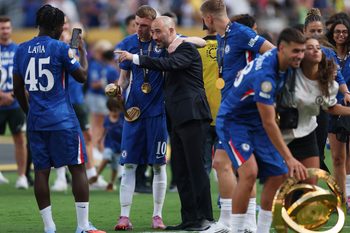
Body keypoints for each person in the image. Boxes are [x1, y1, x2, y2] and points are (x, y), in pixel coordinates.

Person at [12, 5, 105, 233]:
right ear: (55, 27)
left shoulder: (21, 50)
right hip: (63, 120)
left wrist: (29, 112)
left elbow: (17, 89)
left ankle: (49, 227)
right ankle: (82, 226)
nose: (64, 28)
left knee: (42, 172)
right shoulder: (61, 48)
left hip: (36, 121)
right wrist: (81, 52)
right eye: (62, 25)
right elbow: (81, 77)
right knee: (77, 168)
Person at [118, 15, 214, 231]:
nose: (154, 37)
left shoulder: (184, 50)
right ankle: (189, 219)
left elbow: (168, 65)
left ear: (172, 31)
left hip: (193, 116)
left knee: (196, 169)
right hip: (177, 118)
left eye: (158, 32)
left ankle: (206, 218)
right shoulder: (171, 49)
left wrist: (135, 58)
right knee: (180, 170)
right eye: (152, 32)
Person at [215, 27, 308, 233]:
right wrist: (290, 157)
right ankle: (237, 229)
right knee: (249, 173)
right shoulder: (265, 74)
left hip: (255, 121)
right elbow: (269, 121)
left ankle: (262, 230)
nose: (300, 56)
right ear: (281, 48)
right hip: (234, 121)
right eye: (296, 51)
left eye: (302, 51)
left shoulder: (288, 64)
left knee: (279, 175)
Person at [199, 1, 274, 231]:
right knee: (230, 164)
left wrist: (255, 86)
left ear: (209, 18)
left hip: (242, 111)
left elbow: (272, 52)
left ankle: (234, 221)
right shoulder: (223, 38)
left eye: (203, 19)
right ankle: (241, 222)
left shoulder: (241, 33)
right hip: (230, 108)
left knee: (228, 164)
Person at [113, 5, 168, 230]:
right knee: (129, 165)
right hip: (133, 112)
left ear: (154, 24)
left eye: (144, 26)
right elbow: (124, 78)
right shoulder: (128, 43)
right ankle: (124, 216)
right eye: (137, 24)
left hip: (157, 112)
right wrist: (117, 88)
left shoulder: (163, 41)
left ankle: (157, 215)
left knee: (158, 166)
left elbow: (196, 42)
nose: (139, 29)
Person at [282, 37, 350, 185]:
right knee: (287, 185)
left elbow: (330, 107)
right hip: (284, 135)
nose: (315, 50)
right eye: (310, 47)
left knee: (310, 181)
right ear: (301, 53)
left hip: (307, 132)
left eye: (318, 47)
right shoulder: (287, 76)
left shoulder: (328, 84)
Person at [0, 16, 28, 189]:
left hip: (15, 102)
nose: (5, 31)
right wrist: (2, 95)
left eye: (7, 28)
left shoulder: (19, 50)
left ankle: (22, 176)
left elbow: (25, 75)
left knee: (20, 138)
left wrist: (12, 94)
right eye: (2, 28)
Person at [89, 97, 123, 191]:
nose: (114, 112)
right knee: (106, 156)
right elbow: (104, 130)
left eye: (116, 110)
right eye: (112, 110)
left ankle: (111, 182)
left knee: (115, 167)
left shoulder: (122, 118)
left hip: (119, 147)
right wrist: (99, 140)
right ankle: (96, 175)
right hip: (109, 144)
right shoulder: (107, 119)